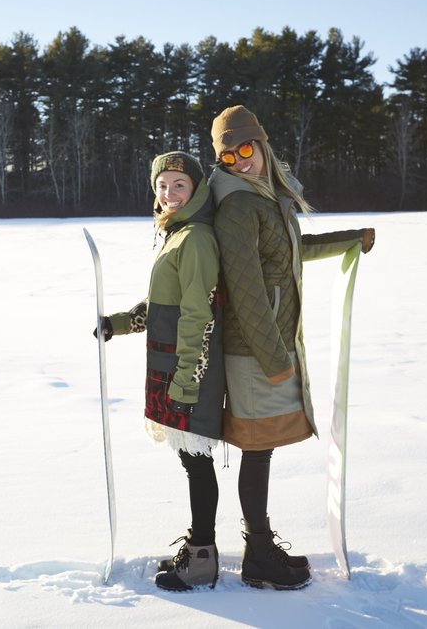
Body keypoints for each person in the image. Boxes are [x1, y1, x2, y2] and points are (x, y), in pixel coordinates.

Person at [207, 105, 376, 590]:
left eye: (247, 149)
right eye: (229, 154)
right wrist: (275, 359)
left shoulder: (263, 196)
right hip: (255, 352)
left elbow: (288, 255)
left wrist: (348, 239)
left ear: (262, 146)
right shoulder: (239, 204)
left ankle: (259, 547)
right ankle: (258, 556)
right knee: (256, 452)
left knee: (260, 453)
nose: (241, 160)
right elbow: (247, 292)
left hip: (269, 348)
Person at [93, 151, 226, 591]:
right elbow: (158, 307)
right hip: (170, 365)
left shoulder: (196, 239)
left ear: (197, 189)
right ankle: (199, 545)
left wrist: (187, 379)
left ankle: (203, 557)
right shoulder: (176, 233)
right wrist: (118, 324)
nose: (169, 194)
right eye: (162, 186)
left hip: (188, 369)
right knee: (191, 462)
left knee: (197, 461)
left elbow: (198, 316)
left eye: (179, 185)